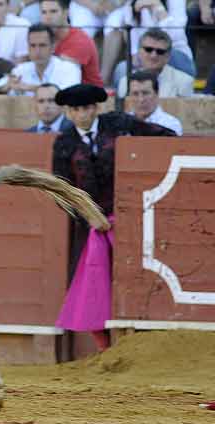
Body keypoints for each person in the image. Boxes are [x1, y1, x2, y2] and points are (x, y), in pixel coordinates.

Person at [52, 84, 176, 352]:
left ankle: (134, 344)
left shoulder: (118, 124)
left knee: (134, 277)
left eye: (86, 108)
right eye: (75, 110)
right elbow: (61, 192)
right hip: (90, 227)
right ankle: (105, 349)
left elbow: (165, 137)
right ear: (68, 112)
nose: (82, 115)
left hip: (130, 218)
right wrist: (89, 216)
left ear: (96, 108)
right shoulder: (63, 143)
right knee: (94, 284)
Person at [101, 0, 193, 86]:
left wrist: (158, 8)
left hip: (173, 55)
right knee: (122, 68)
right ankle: (125, 101)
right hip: (145, 56)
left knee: (168, 54)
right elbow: (134, 49)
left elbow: (175, 37)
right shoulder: (131, 5)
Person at [0, 24, 81, 96]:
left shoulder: (70, 69)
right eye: (33, 46)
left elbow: (70, 94)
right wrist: (7, 86)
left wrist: (29, 87)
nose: (37, 51)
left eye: (42, 45)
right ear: (28, 48)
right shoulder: (20, 70)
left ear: (53, 47)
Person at [39, 0, 102, 87]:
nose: (48, 17)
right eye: (44, 12)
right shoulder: (42, 37)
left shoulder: (80, 40)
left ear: (66, 13)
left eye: (53, 11)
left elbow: (62, 78)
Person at [116, 28, 193, 98]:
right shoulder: (125, 82)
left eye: (160, 51)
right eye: (148, 50)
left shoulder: (184, 81)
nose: (153, 56)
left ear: (168, 56)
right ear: (139, 52)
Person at [128, 70, 182, 135]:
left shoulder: (170, 124)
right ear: (129, 96)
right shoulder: (122, 124)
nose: (141, 99)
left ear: (156, 94)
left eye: (145, 93)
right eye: (135, 94)